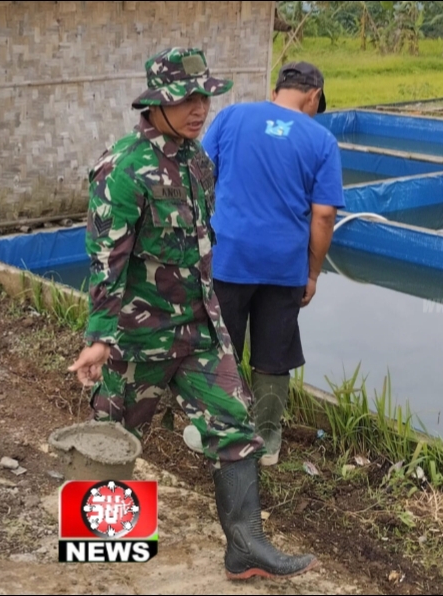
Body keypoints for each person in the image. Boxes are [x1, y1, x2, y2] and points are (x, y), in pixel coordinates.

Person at [67, 47, 319, 580]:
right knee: (113, 436)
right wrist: (98, 337)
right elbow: (104, 263)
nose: (198, 107)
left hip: (200, 334)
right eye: (184, 97)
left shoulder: (197, 161)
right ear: (156, 103)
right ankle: (97, 559)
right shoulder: (123, 168)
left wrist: (216, 326)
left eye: (203, 95)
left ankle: (245, 546)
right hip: (139, 339)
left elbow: (204, 248)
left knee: (235, 426)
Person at [203, 62, 344, 467]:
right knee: (273, 353)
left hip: (228, 257)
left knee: (221, 344)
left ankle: (220, 430)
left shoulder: (232, 117)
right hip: (284, 267)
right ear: (313, 95)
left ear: (276, 88)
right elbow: (323, 216)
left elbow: (201, 177)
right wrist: (313, 272)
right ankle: (266, 441)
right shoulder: (321, 140)